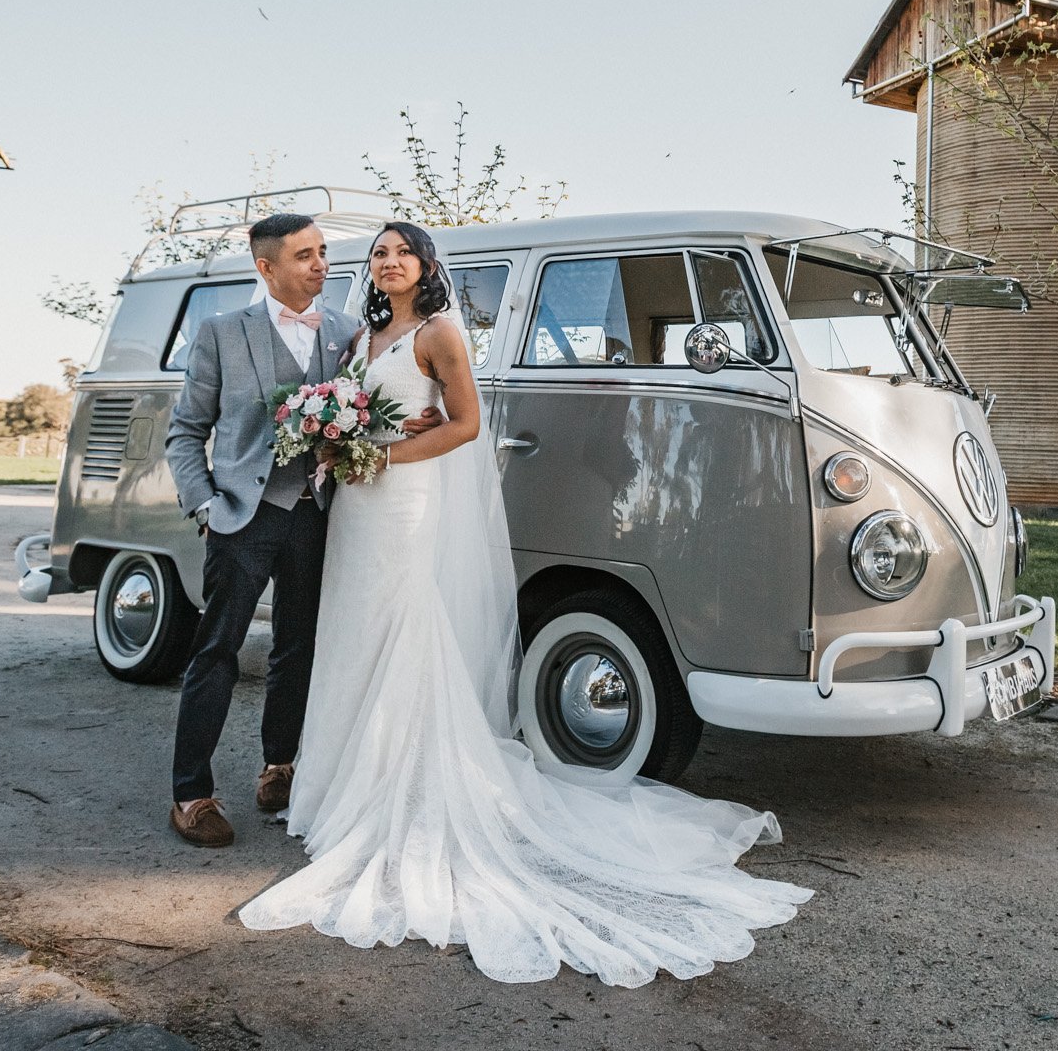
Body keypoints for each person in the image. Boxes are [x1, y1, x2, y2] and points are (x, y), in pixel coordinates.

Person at [238, 221, 810, 986]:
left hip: (403, 501)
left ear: (427, 265)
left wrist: (381, 454)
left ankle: (395, 791)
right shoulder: (361, 340)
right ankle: (338, 783)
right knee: (352, 632)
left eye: (403, 251)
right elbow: (362, 410)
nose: (389, 261)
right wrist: (344, 443)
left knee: (402, 629)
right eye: (378, 253)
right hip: (357, 506)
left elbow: (467, 425)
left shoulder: (441, 333)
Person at [160, 212, 438, 848]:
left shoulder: (347, 332)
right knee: (218, 651)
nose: (322, 265)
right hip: (241, 517)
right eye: (306, 256)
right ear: (267, 267)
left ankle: (279, 765)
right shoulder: (220, 333)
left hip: (318, 515)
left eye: (322, 253)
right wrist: (205, 503)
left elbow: (365, 414)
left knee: (298, 648)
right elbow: (185, 432)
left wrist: (403, 428)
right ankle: (191, 793)